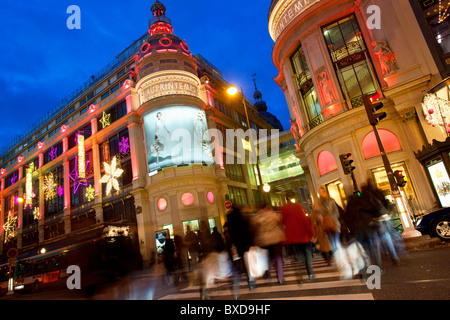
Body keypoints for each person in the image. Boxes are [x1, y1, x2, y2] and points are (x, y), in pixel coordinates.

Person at [281, 196, 316, 283]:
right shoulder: (297, 207)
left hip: (292, 236)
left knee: (297, 255)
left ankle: (300, 276)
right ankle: (310, 273)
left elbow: (283, 222)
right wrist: (312, 233)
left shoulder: (284, 208)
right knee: (307, 253)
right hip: (303, 235)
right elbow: (304, 220)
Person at [251, 204, 285, 284]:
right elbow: (280, 223)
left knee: (267, 258)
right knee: (278, 258)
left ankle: (268, 274)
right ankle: (280, 277)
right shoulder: (273, 214)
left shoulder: (258, 217)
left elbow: (254, 227)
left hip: (264, 240)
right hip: (275, 238)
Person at [226, 205, 255, 296]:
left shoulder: (230, 220)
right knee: (247, 265)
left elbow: (228, 234)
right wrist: (251, 243)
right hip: (244, 245)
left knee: (236, 267)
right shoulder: (243, 219)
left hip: (234, 246)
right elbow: (249, 232)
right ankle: (251, 283)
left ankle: (236, 291)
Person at [318, 186, 342, 254]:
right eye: (320, 192)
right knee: (332, 243)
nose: (321, 194)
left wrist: (330, 218)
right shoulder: (320, 203)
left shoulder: (331, 201)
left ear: (325, 192)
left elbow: (336, 212)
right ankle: (337, 257)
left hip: (334, 223)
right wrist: (321, 217)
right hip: (327, 225)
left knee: (336, 241)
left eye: (322, 192)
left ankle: (341, 256)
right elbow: (319, 214)